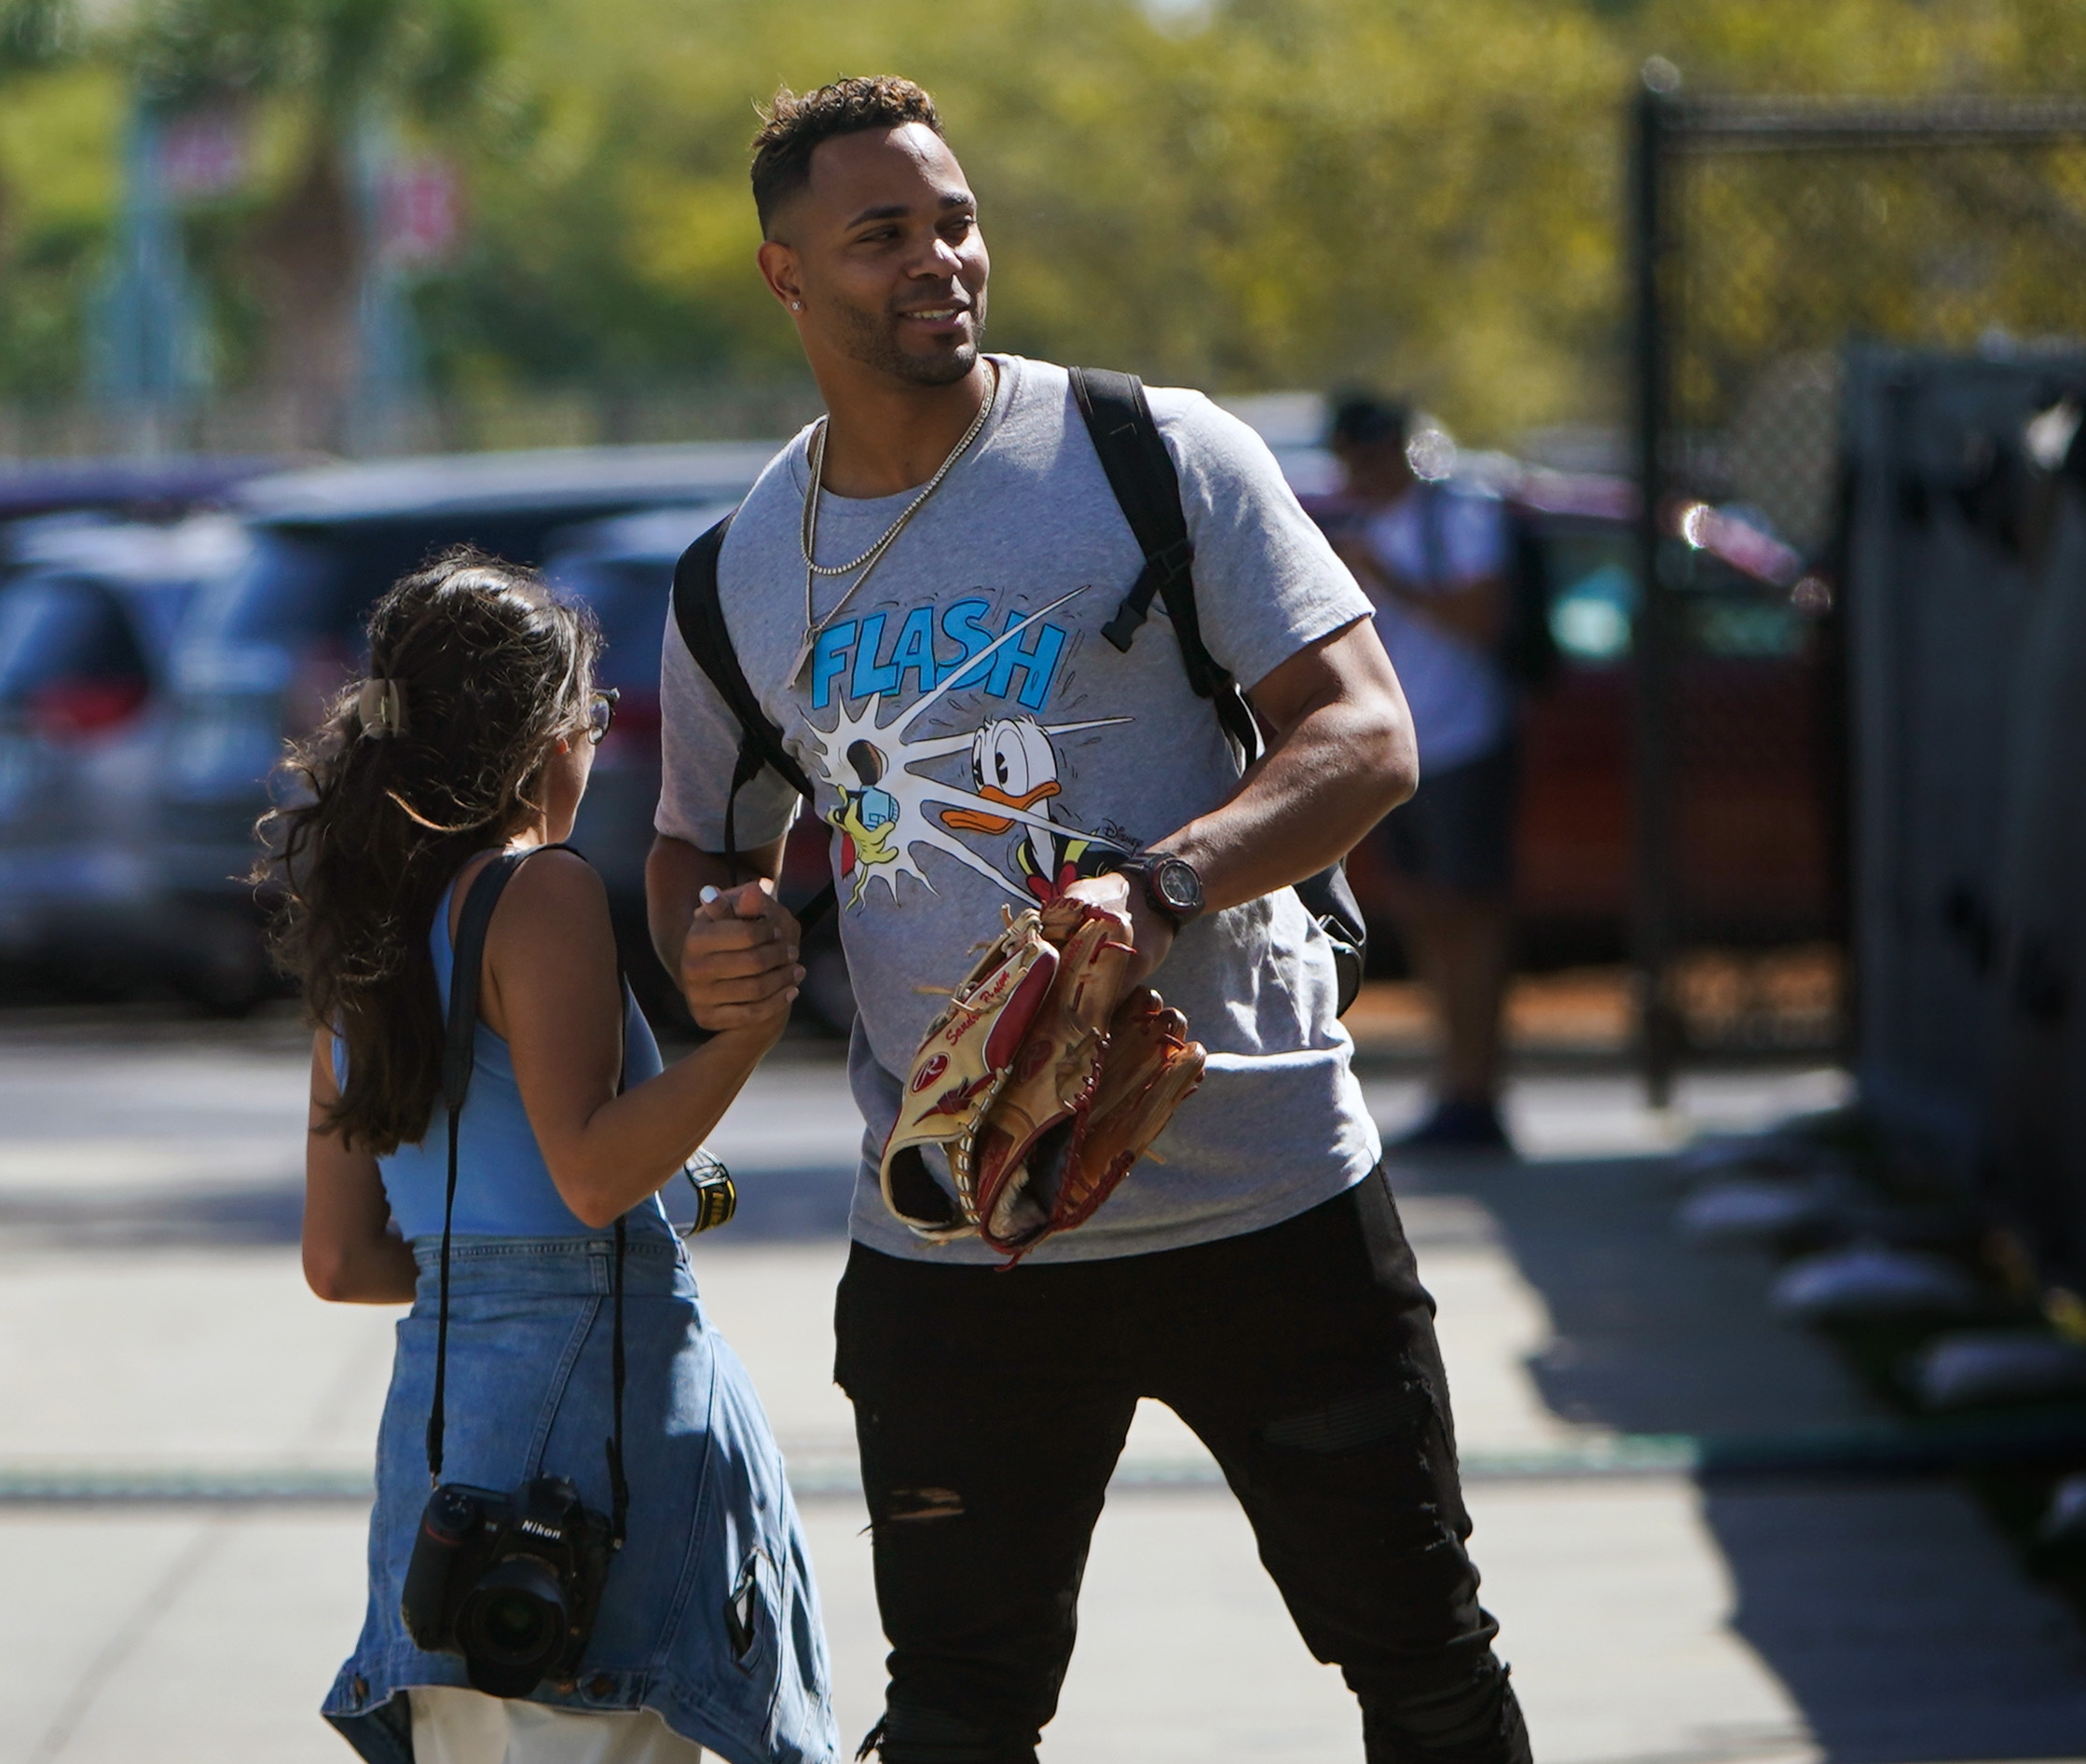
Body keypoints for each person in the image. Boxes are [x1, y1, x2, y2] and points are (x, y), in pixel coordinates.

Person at [646, 76, 1531, 1764]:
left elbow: (1367, 734)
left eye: (958, 220)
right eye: (884, 234)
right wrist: (714, 936)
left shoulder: (1153, 454)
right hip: (960, 1232)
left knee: (1422, 1661)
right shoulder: (739, 572)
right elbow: (701, 841)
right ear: (787, 277)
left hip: (1267, 1187)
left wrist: (1164, 878)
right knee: (961, 1709)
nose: (943, 261)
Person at [276, 553, 836, 1764]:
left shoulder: (363, 922)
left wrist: (488, 1260)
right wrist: (746, 1034)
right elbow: (589, 1175)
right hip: (596, 1447)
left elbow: (340, 1256)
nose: (595, 738)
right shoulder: (540, 893)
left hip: (443, 1460)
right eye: (591, 711)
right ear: (543, 732)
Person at [1324, 395, 1524, 1154]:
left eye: (1371, 456)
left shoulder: (1455, 516)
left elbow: (1480, 618)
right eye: (1350, 459)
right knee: (1425, 918)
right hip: (1397, 752)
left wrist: (1385, 574)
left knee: (1471, 917)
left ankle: (1481, 1088)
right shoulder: (1360, 526)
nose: (1361, 473)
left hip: (1464, 741)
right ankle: (1454, 1086)